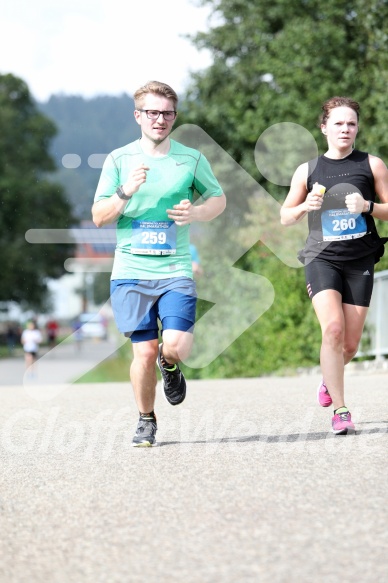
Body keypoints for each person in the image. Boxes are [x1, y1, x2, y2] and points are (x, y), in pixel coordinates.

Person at [92, 80, 226, 447]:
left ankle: (170, 366)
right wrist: (126, 191)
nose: (160, 119)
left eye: (167, 113)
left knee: (176, 346)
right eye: (152, 112)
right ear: (138, 116)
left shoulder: (191, 159)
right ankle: (146, 419)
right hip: (131, 273)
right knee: (145, 350)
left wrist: (195, 212)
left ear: (175, 117)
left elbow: (218, 199)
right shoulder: (119, 160)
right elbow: (99, 216)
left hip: (174, 269)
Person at [280, 96, 388, 435]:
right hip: (321, 258)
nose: (345, 129)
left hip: (360, 260)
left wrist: (367, 206)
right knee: (333, 330)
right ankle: (341, 410)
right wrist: (303, 207)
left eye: (351, 123)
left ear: (357, 128)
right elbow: (284, 216)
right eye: (339, 123)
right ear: (324, 127)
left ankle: (330, 379)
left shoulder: (372, 165)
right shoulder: (308, 170)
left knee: (351, 345)